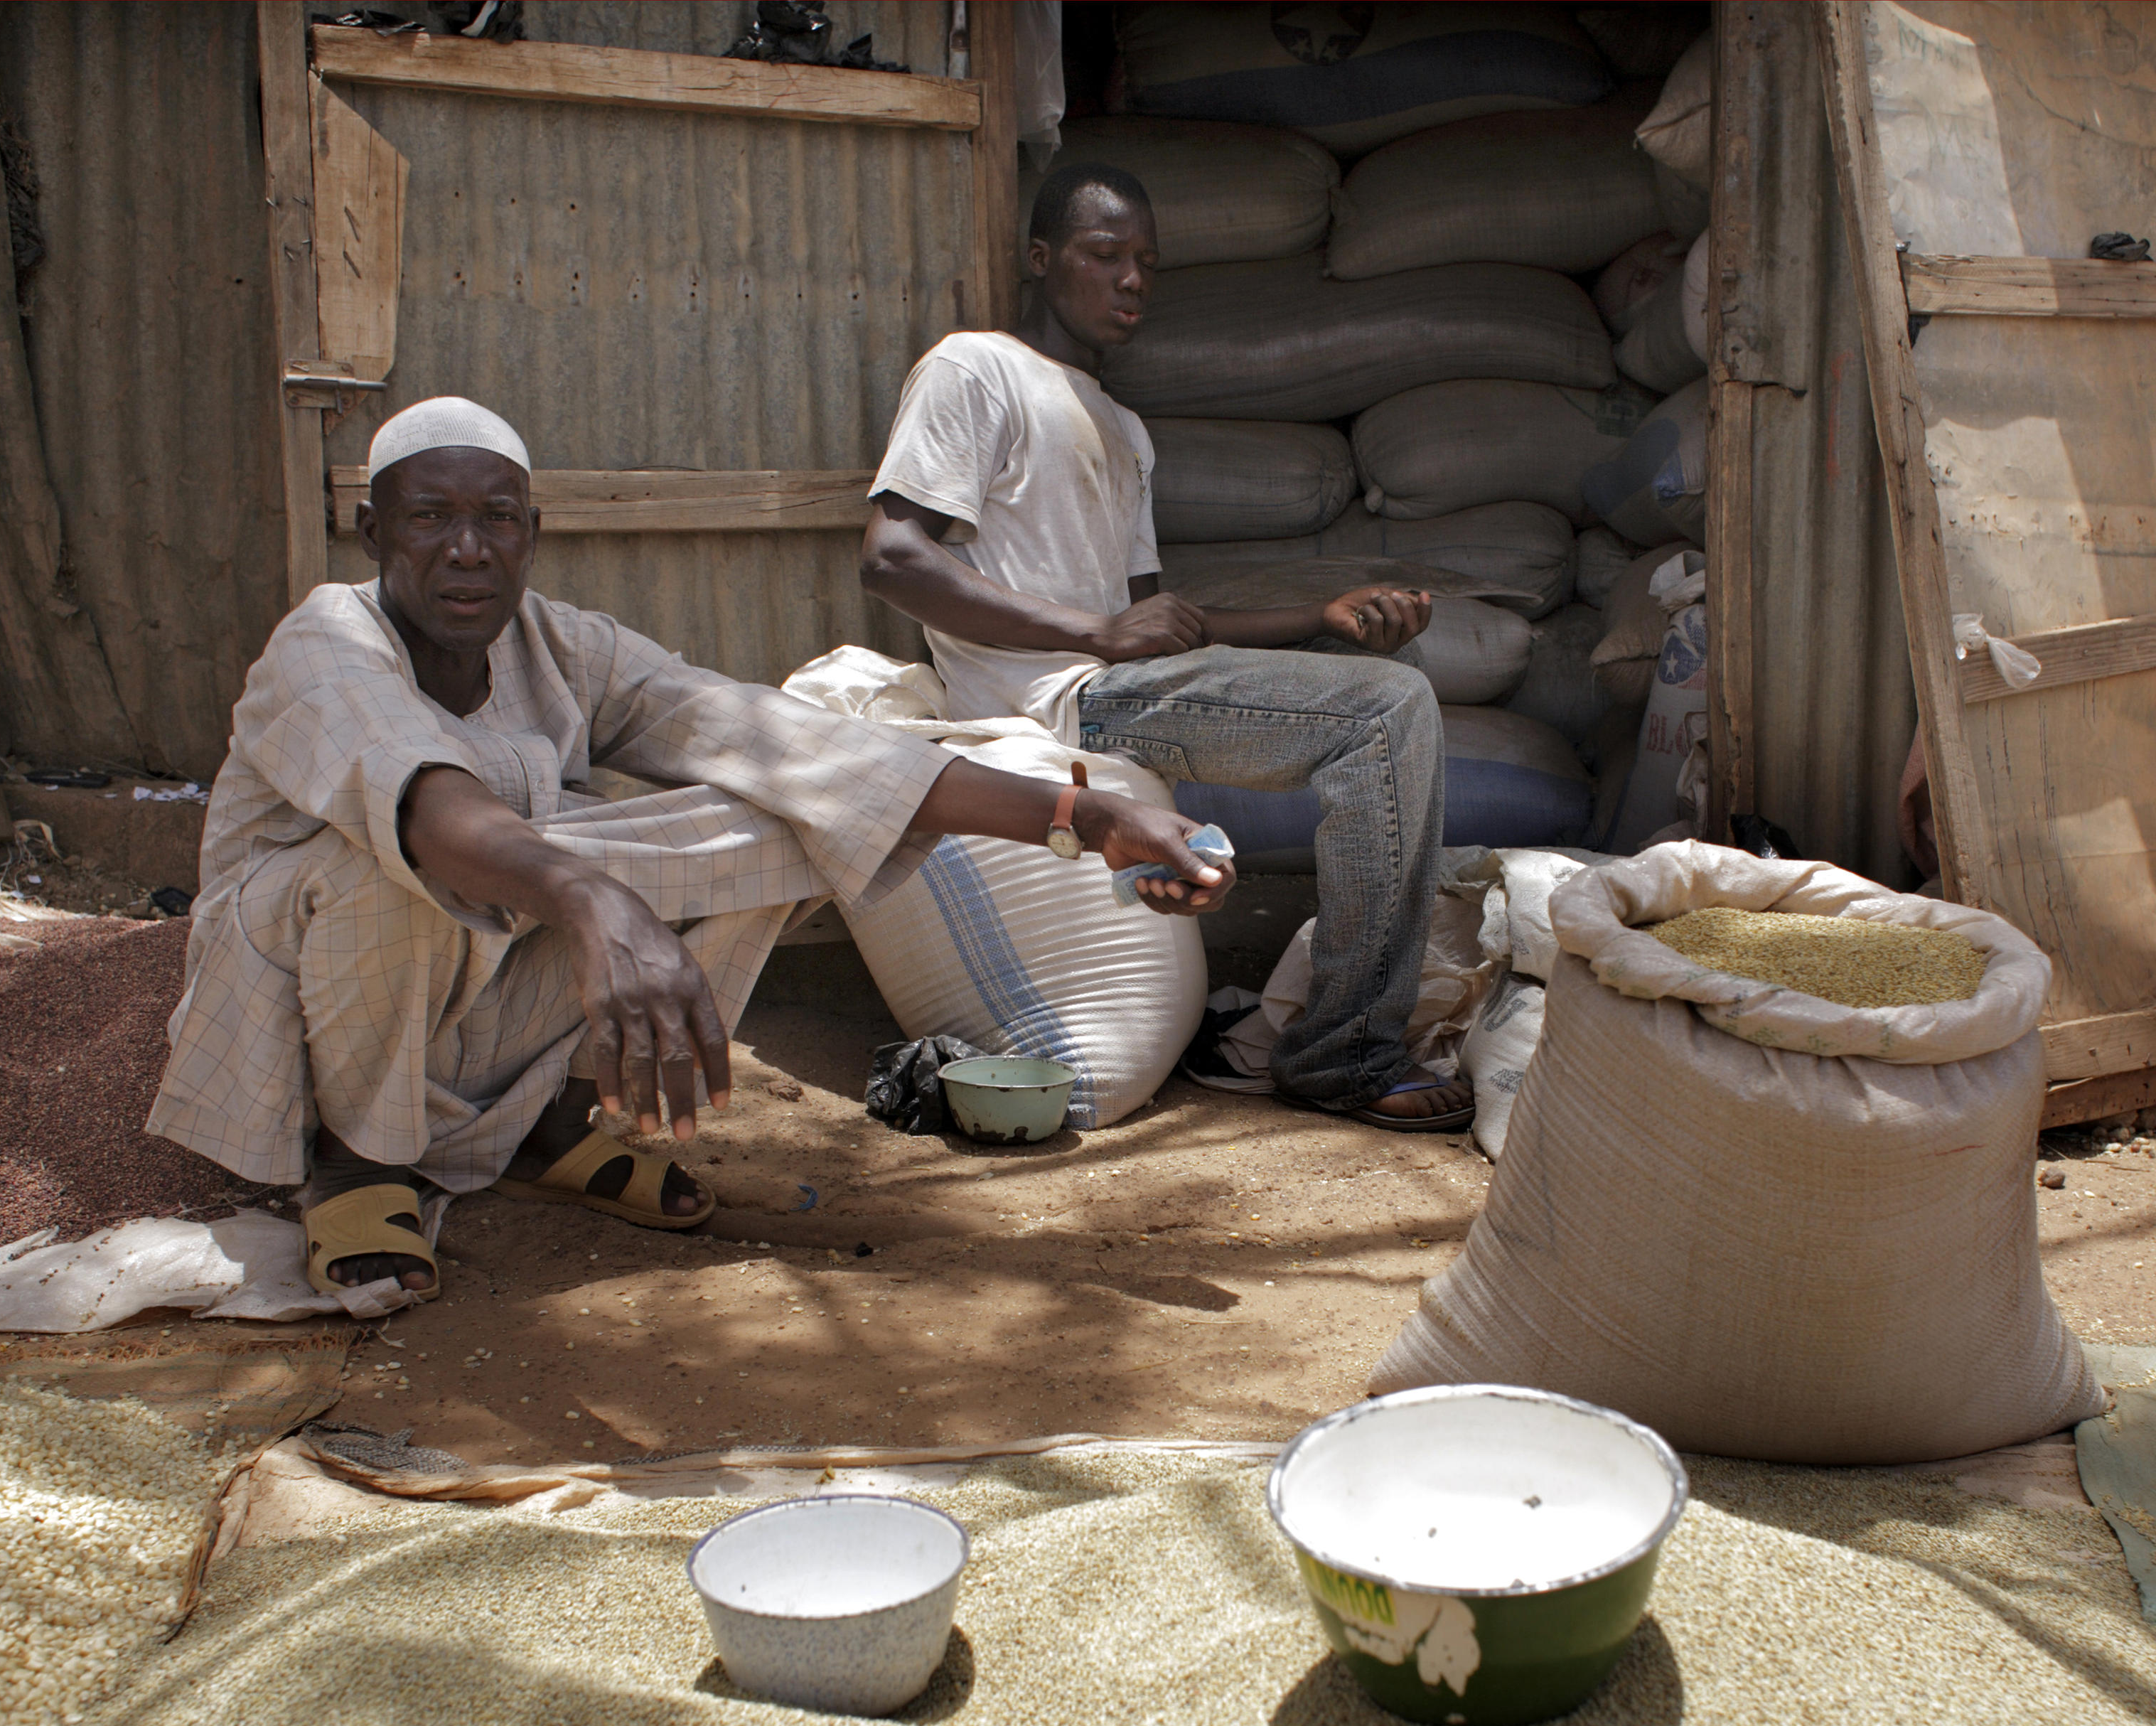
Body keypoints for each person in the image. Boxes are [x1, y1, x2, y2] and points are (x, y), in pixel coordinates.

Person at [148, 396, 1226, 1302]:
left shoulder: (565, 646)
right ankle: (358, 1160)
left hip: (467, 988)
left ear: (533, 531)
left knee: (786, 816)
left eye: (497, 519)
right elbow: (426, 806)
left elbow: (789, 744)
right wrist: (597, 902)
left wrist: (1084, 818)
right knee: (384, 863)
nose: (466, 547)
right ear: (373, 529)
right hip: (313, 994)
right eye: (429, 517)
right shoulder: (326, 641)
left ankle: (550, 1120)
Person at [859, 162, 1474, 1132]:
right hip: (1060, 697)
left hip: (1129, 681)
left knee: (1391, 684)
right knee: (1386, 715)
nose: (1133, 279)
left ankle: (1341, 1025)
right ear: (1041, 259)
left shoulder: (1122, 429)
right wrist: (1093, 633)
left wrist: (1323, 617)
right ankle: (1344, 1049)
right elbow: (892, 559)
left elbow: (1165, 624)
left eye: (1147, 262)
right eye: (1106, 255)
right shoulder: (975, 369)